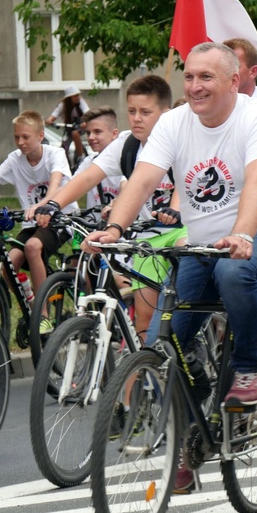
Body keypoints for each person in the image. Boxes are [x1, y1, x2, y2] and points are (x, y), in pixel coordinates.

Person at [82, 42, 257, 407]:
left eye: (206, 77)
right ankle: (194, 419)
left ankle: (250, 369)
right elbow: (142, 181)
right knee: (163, 346)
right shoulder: (173, 123)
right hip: (202, 247)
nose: (195, 86)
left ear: (233, 81)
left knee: (232, 271)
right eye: (190, 76)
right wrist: (114, 230)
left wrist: (242, 234)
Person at [35, 75, 181, 341]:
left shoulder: (181, 140)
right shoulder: (127, 144)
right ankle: (145, 368)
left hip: (183, 232)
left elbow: (186, 181)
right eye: (132, 111)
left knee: (181, 312)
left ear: (166, 113)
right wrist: (54, 203)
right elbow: (87, 177)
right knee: (144, 321)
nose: (136, 118)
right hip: (148, 239)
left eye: (145, 112)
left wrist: (175, 208)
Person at [0, 110, 78, 304]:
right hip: (32, 223)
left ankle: (42, 313)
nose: (20, 142)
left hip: (60, 220)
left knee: (32, 247)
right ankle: (30, 303)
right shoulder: (15, 158)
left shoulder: (55, 154)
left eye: (25, 137)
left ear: (40, 136)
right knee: (9, 263)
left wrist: (41, 205)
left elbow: (55, 186)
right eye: (16, 137)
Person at [75, 106, 124, 216]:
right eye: (88, 133)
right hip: (93, 225)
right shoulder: (88, 162)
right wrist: (50, 203)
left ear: (114, 134)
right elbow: (69, 187)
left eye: (97, 132)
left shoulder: (126, 162)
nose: (90, 137)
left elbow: (126, 187)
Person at [45, 85, 90, 162]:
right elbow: (54, 115)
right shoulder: (63, 105)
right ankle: (63, 160)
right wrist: (49, 120)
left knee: (75, 133)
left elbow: (88, 113)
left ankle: (81, 157)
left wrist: (85, 122)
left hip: (80, 127)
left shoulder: (81, 102)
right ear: (70, 97)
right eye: (75, 96)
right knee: (64, 144)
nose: (78, 97)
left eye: (78, 95)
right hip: (69, 128)